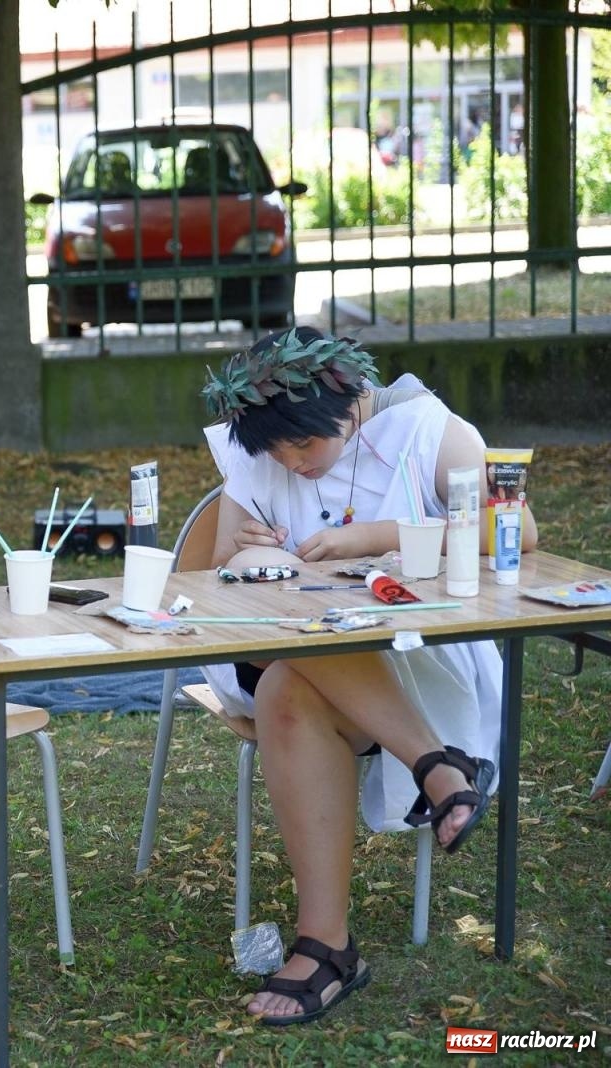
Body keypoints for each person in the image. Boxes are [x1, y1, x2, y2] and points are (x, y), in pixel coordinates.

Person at [198, 326, 538, 1025]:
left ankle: (327, 948)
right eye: (277, 453)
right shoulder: (255, 451)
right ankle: (438, 767)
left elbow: (519, 530)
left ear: (347, 405)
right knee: (291, 660)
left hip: (420, 662)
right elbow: (215, 576)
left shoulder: (427, 429)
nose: (291, 465)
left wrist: (376, 537)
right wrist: (243, 551)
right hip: (279, 650)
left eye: (304, 446)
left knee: (289, 687)